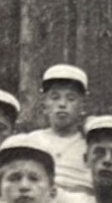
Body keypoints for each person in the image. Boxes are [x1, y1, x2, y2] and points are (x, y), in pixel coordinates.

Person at [27, 64, 94, 194]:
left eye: (71, 98)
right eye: (55, 97)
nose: (62, 104)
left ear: (83, 106)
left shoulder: (89, 144)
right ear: (44, 105)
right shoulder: (32, 141)